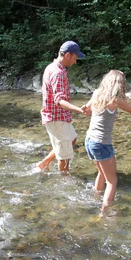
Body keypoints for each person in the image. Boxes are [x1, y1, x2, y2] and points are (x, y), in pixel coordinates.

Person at [83, 70, 131, 217]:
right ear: (119, 84)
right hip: (102, 144)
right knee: (112, 182)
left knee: (101, 173)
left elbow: (86, 110)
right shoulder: (115, 100)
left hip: (89, 141)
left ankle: (96, 198)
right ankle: (103, 214)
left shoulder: (97, 93)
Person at [37, 41, 90, 174]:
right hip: (56, 118)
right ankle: (63, 181)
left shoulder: (51, 67)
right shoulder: (58, 73)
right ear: (67, 55)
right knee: (65, 155)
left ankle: (44, 163)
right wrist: (80, 110)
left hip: (55, 116)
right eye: (75, 58)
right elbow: (59, 101)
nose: (75, 62)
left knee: (71, 139)